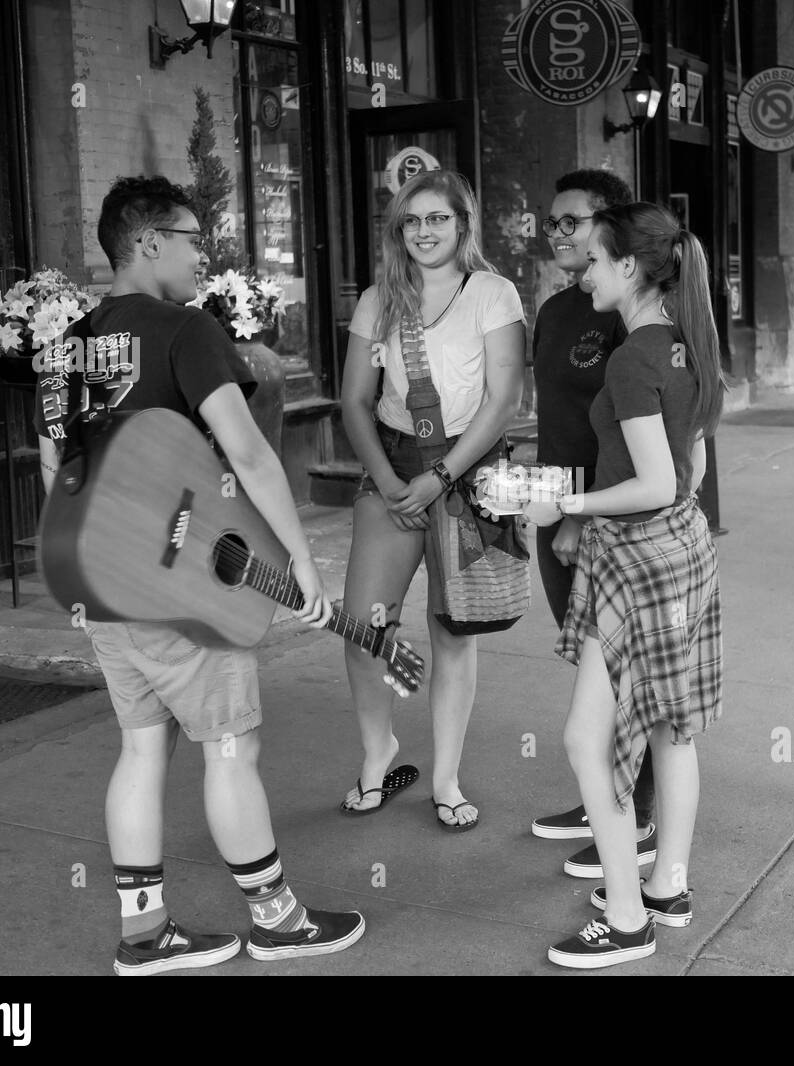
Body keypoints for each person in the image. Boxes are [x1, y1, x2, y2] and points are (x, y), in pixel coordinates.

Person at [35, 176, 364, 975]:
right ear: (147, 242)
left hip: (102, 577)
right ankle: (278, 920)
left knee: (142, 749)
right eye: (191, 238)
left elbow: (56, 472)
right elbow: (248, 452)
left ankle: (146, 935)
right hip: (178, 585)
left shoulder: (60, 347)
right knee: (230, 747)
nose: (203, 257)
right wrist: (295, 558)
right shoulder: (186, 331)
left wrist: (93, 568)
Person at [523, 203, 725, 969]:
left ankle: (629, 917)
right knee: (672, 726)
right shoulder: (687, 345)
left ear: (631, 268)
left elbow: (656, 481)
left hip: (636, 555)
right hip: (681, 549)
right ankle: (666, 885)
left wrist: (566, 505)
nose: (586, 271)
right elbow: (694, 473)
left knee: (586, 739)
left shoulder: (633, 358)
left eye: (597, 261)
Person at [338, 169, 525, 830]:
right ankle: (378, 750)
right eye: (412, 221)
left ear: (461, 224)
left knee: (453, 630)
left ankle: (445, 776)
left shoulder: (492, 294)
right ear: (399, 230)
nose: (424, 232)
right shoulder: (378, 300)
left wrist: (440, 474)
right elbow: (354, 401)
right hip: (390, 467)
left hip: (466, 474)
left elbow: (504, 401)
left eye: (437, 219)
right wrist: (390, 483)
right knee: (365, 626)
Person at [527, 168, 659, 877]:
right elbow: (555, 415)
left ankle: (636, 817)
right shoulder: (554, 310)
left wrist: (581, 517)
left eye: (571, 222)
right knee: (588, 665)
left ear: (609, 228)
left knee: (622, 668)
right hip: (555, 504)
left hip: (606, 511)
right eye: (552, 222)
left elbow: (627, 434)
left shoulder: (627, 312)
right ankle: (602, 795)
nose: (557, 234)